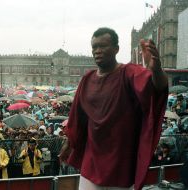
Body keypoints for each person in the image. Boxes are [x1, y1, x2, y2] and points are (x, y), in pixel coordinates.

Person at [59, 27, 168, 190]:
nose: (98, 51)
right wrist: (69, 144)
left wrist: (156, 68)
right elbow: (78, 118)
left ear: (116, 49)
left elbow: (156, 88)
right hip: (92, 159)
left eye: (103, 46)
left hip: (121, 161)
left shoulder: (129, 73)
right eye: (94, 47)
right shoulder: (87, 79)